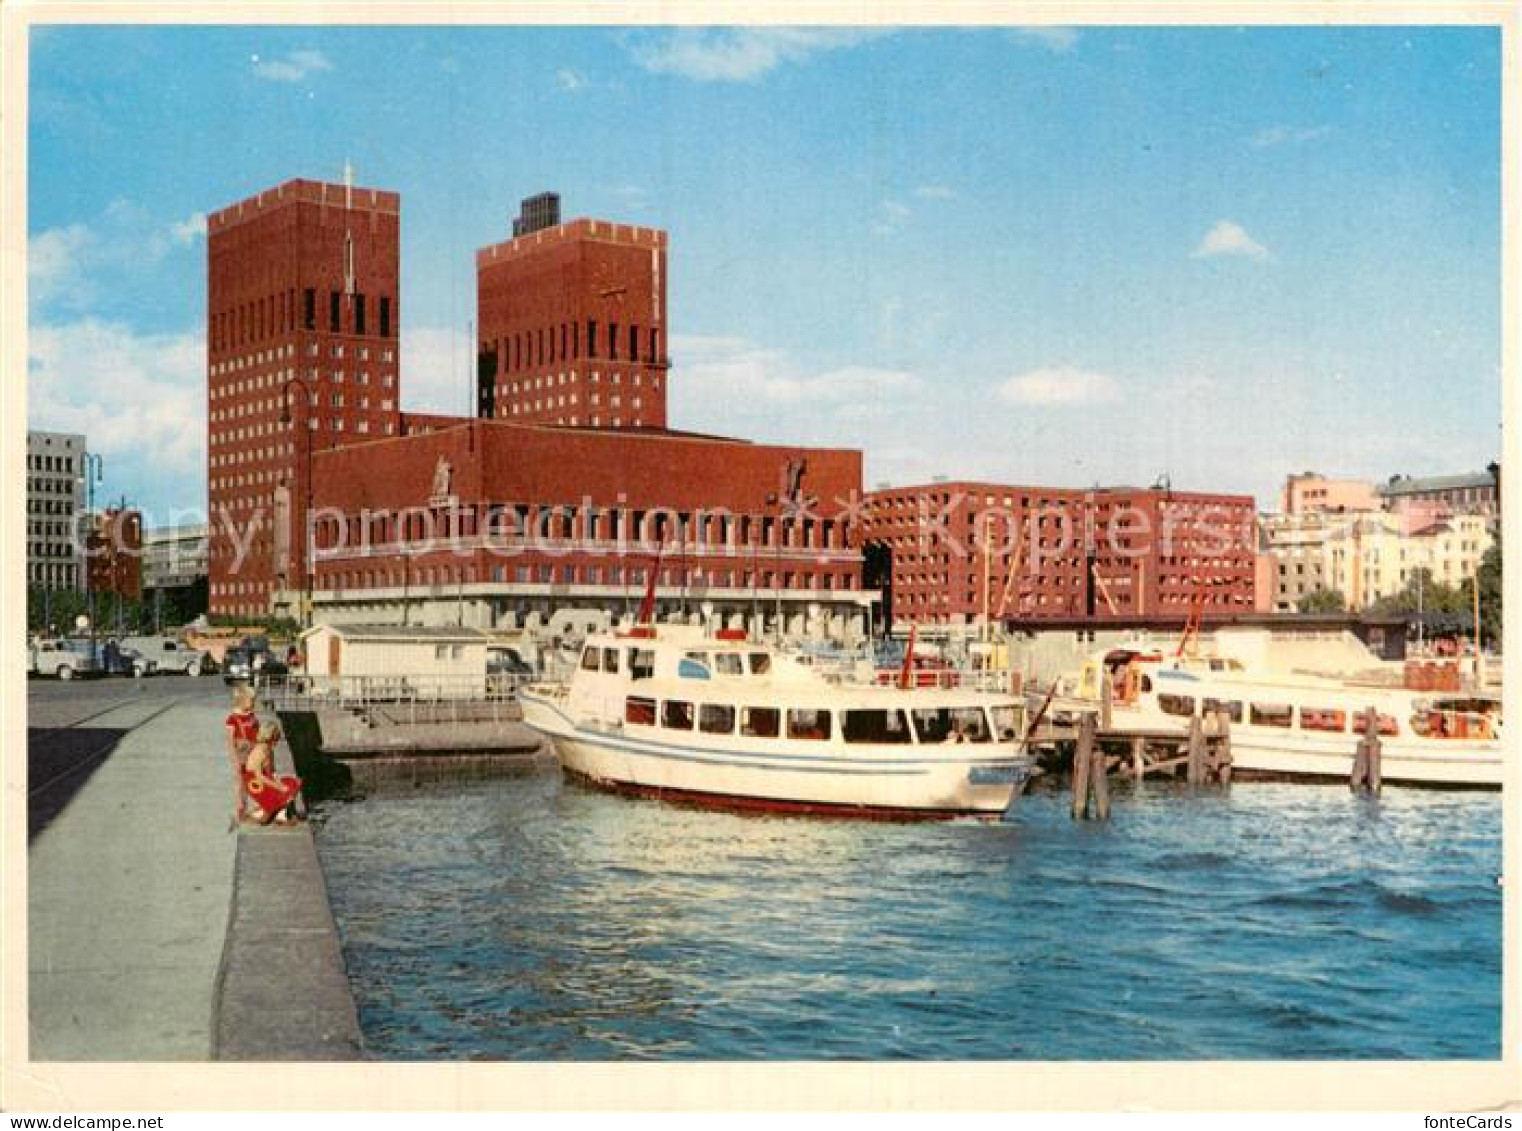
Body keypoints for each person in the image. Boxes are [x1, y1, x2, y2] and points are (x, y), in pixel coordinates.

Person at [242, 722, 304, 826]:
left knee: (295, 782)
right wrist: (278, 787)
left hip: (265, 779)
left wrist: (278, 781)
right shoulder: (259, 752)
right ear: (271, 737)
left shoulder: (269, 750)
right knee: (285, 790)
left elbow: (272, 772)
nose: (278, 740)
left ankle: (275, 811)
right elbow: (259, 776)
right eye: (276, 737)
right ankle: (272, 812)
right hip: (254, 783)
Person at [225, 685, 260, 830]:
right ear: (242, 701)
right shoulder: (232, 718)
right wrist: (234, 759)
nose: (253, 703)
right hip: (241, 751)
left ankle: (259, 806)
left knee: (256, 778)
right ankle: (241, 809)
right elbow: (230, 741)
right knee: (241, 783)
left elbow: (257, 731)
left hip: (253, 750)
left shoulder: (252, 715)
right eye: (251, 701)